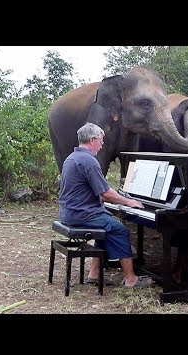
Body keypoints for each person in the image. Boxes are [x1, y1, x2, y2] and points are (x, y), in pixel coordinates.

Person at [58, 122, 154, 288]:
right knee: (119, 229)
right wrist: (129, 201)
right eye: (102, 141)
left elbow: (85, 191)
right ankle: (131, 279)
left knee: (105, 227)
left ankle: (94, 273)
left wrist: (117, 199)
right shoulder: (88, 160)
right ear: (93, 140)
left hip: (70, 213)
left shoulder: (71, 158)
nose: (102, 145)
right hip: (81, 215)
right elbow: (106, 194)